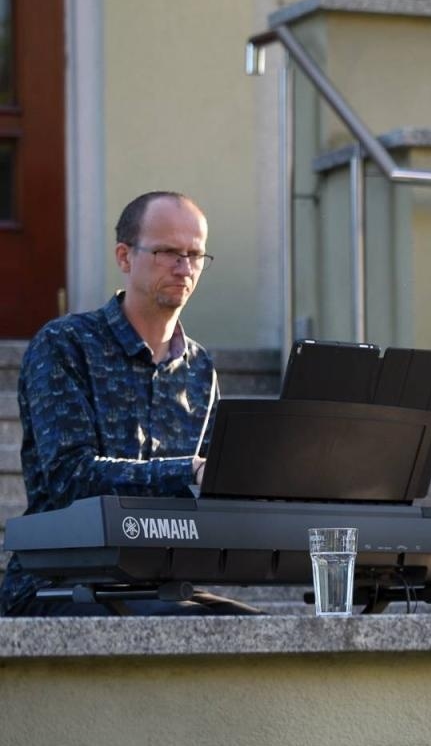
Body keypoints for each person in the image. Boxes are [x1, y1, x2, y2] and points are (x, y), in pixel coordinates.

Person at [2, 191, 258, 617]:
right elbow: (71, 477)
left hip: (161, 586)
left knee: (259, 635)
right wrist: (188, 468)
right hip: (59, 585)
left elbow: (214, 489)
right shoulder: (64, 345)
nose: (184, 268)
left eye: (195, 255)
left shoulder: (200, 369)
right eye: (167, 252)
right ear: (125, 257)